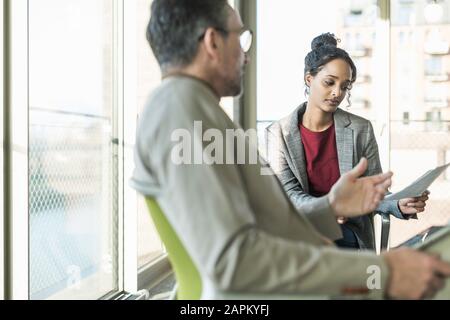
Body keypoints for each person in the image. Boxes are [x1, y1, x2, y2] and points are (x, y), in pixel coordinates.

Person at [130, 0, 450, 299]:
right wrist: (383, 272)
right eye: (241, 39)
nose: (247, 56)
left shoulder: (197, 110)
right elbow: (235, 262)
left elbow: (258, 221)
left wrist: (332, 207)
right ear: (213, 42)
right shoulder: (182, 111)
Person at [266, 33, 429, 250]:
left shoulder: (360, 129)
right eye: (329, 83)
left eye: (345, 86)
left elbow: (373, 190)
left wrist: (398, 204)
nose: (337, 93)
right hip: (303, 232)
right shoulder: (278, 134)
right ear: (309, 79)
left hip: (349, 235)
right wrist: (330, 208)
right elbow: (289, 196)